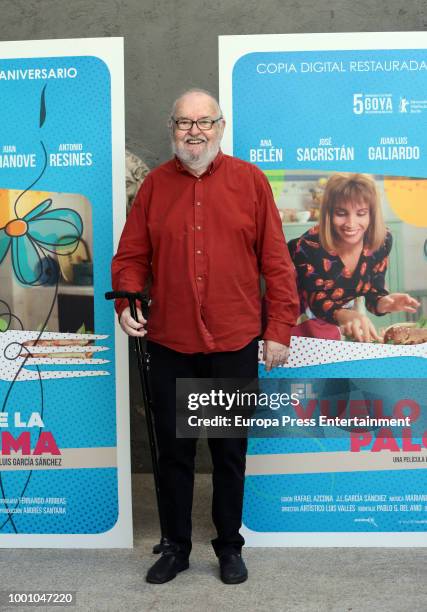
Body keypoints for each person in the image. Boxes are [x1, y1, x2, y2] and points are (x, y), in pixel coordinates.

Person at [111, 89, 299, 584]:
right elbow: (131, 257)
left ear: (220, 126)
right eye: (183, 123)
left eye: (204, 122)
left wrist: (278, 328)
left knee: (227, 451)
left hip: (232, 343)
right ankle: (175, 546)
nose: (193, 131)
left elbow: (277, 263)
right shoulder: (153, 187)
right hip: (170, 343)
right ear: (171, 128)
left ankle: (229, 547)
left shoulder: (250, 182)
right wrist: (127, 301)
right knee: (173, 452)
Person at [288, 173, 419, 342]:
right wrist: (345, 315)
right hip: (294, 321)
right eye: (341, 213)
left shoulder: (382, 240)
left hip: (332, 324)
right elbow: (316, 300)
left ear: (372, 214)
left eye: (361, 213)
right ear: (328, 213)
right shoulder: (307, 247)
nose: (351, 223)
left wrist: (384, 302)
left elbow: (373, 290)